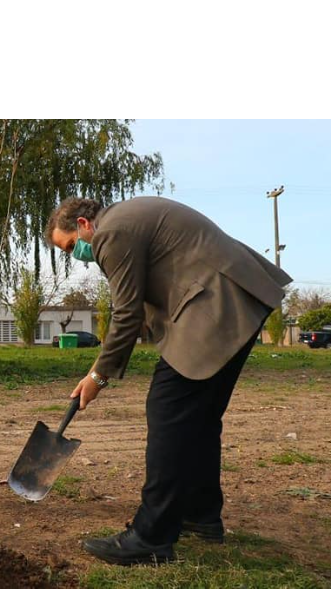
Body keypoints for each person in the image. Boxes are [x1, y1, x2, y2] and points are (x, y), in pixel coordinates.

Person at [46, 196, 291, 565]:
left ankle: (151, 536)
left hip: (215, 304)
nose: (75, 255)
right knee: (200, 419)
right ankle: (201, 515)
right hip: (236, 297)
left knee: (167, 410)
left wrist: (98, 375)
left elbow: (125, 314)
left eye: (69, 247)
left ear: (83, 225)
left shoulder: (110, 233)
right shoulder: (127, 218)